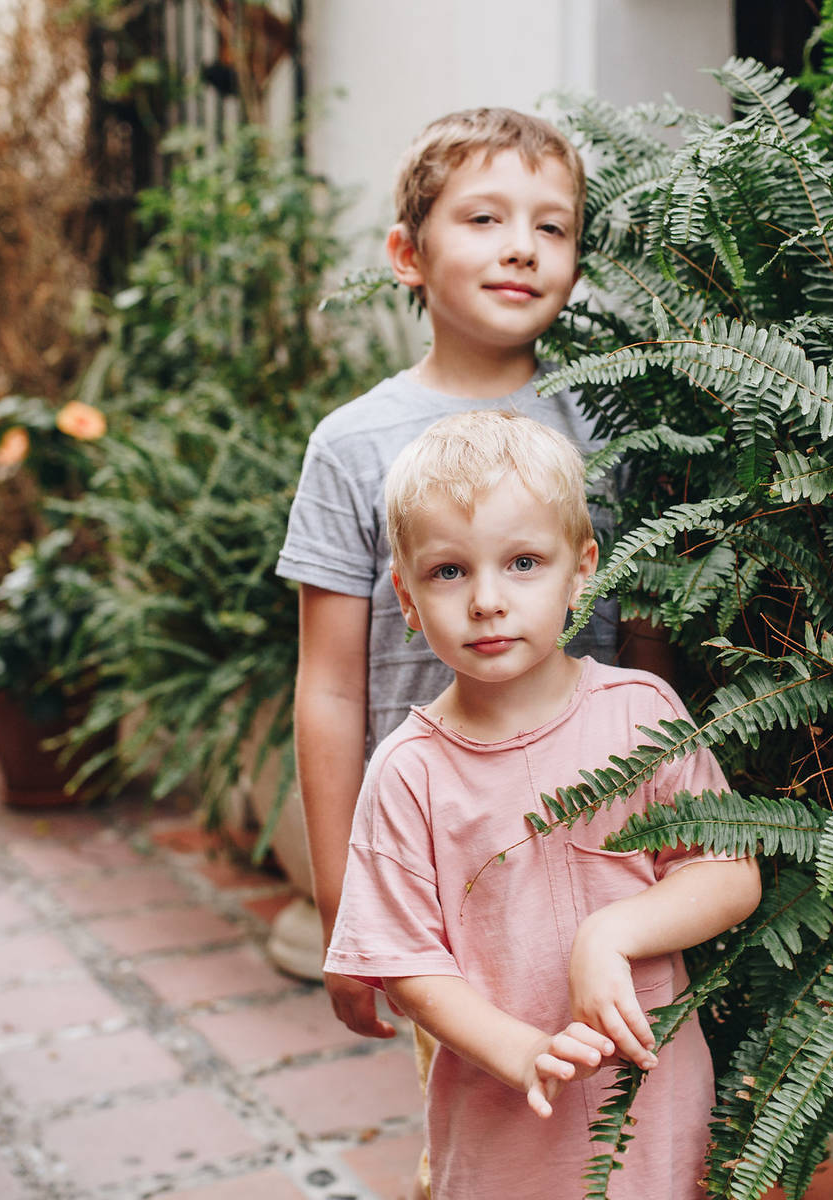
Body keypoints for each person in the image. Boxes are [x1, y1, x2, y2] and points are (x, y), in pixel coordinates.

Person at [270, 107, 668, 1032]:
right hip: (438, 854)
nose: (522, 248)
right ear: (407, 254)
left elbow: (646, 639)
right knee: (470, 1105)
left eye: (552, 226)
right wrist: (344, 907)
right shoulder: (351, 446)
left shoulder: (610, 428)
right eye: (484, 219)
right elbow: (328, 688)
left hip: (598, 842)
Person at [325, 410, 762, 1198]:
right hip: (505, 1121)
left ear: (582, 569)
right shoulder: (407, 772)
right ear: (407, 597)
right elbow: (407, 963)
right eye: (449, 571)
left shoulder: (641, 714)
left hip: (651, 1099)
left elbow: (727, 870)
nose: (487, 600)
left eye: (522, 562)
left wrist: (613, 931)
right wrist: (519, 1051)